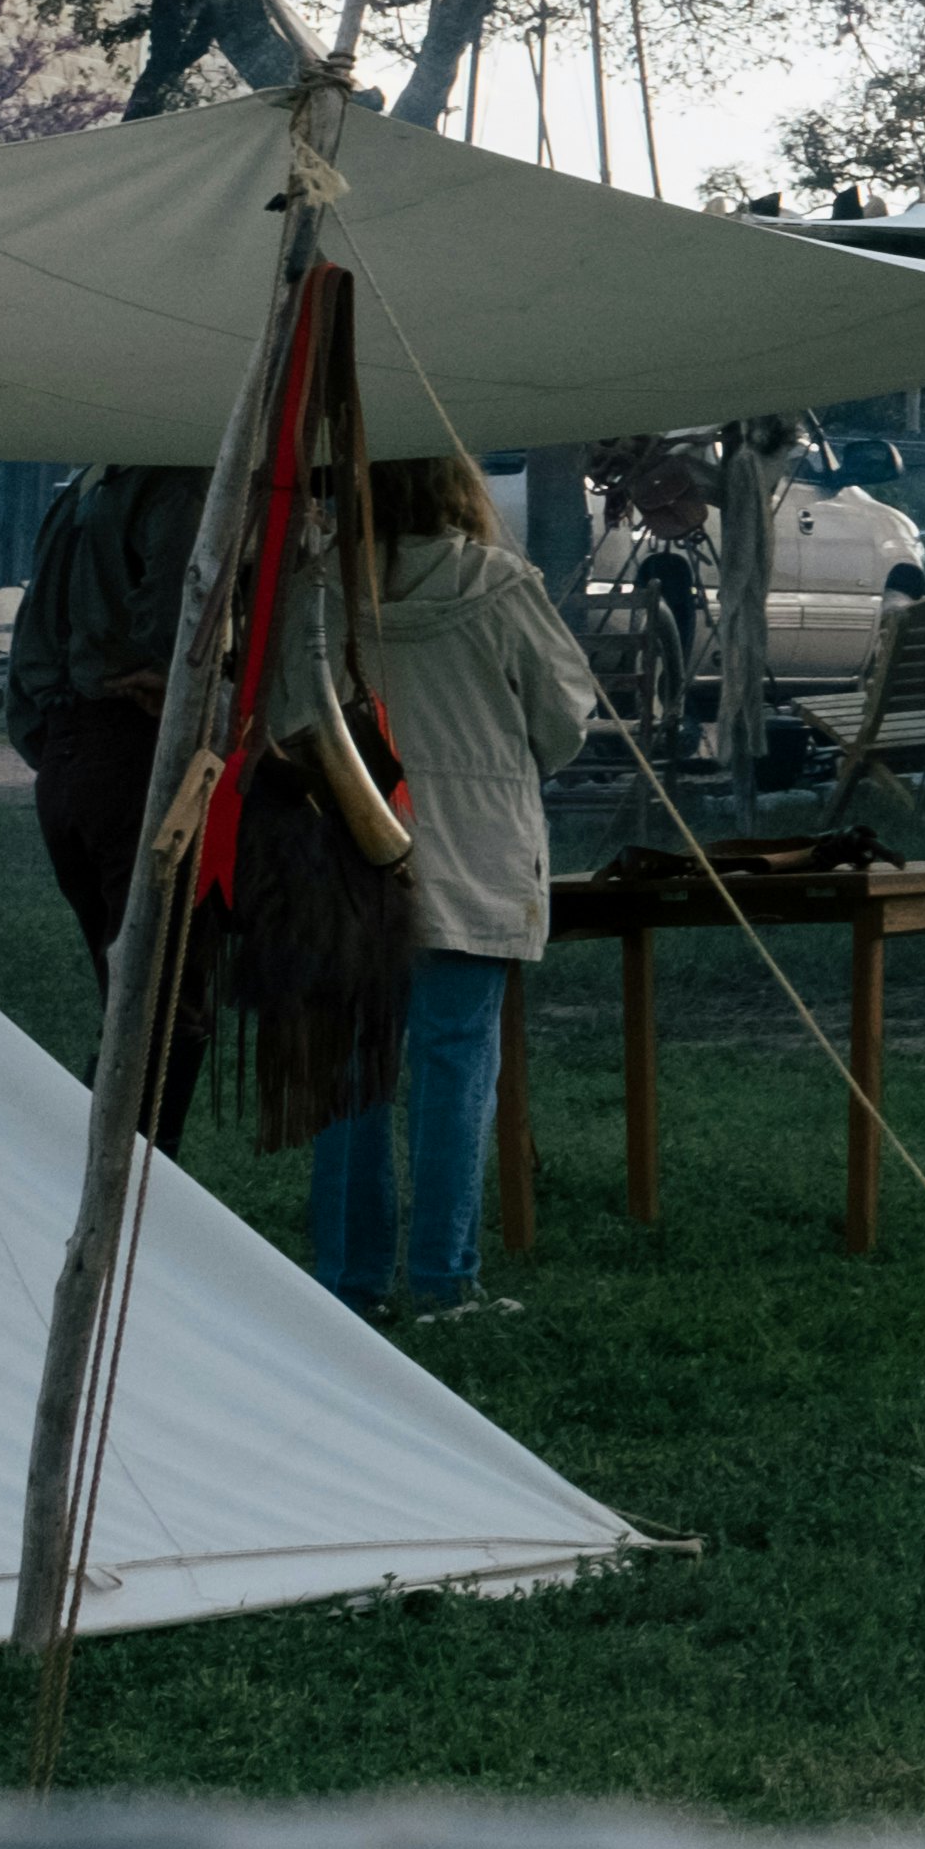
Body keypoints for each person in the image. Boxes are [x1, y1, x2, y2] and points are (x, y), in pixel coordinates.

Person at [297, 447, 600, 1327]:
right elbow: (566, 716)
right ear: (451, 486)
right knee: (454, 1070)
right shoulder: (501, 585)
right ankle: (440, 1280)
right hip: (477, 849)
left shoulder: (319, 590)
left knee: (354, 1078)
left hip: (351, 854)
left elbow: (287, 713)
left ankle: (351, 1283)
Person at [5, 460, 211, 973]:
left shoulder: (84, 487)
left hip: (66, 750)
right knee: (158, 987)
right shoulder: (173, 484)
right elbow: (174, 614)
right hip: (130, 742)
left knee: (123, 973)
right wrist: (179, 677)